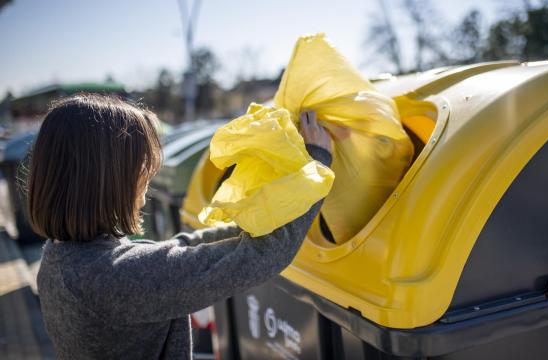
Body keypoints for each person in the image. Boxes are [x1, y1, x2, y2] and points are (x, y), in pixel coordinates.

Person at [29, 94, 332, 359]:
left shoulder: (60, 259)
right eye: (142, 170)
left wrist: (249, 223)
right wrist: (318, 162)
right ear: (108, 180)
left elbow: (178, 250)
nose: (145, 186)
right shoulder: (115, 279)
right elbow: (263, 256)